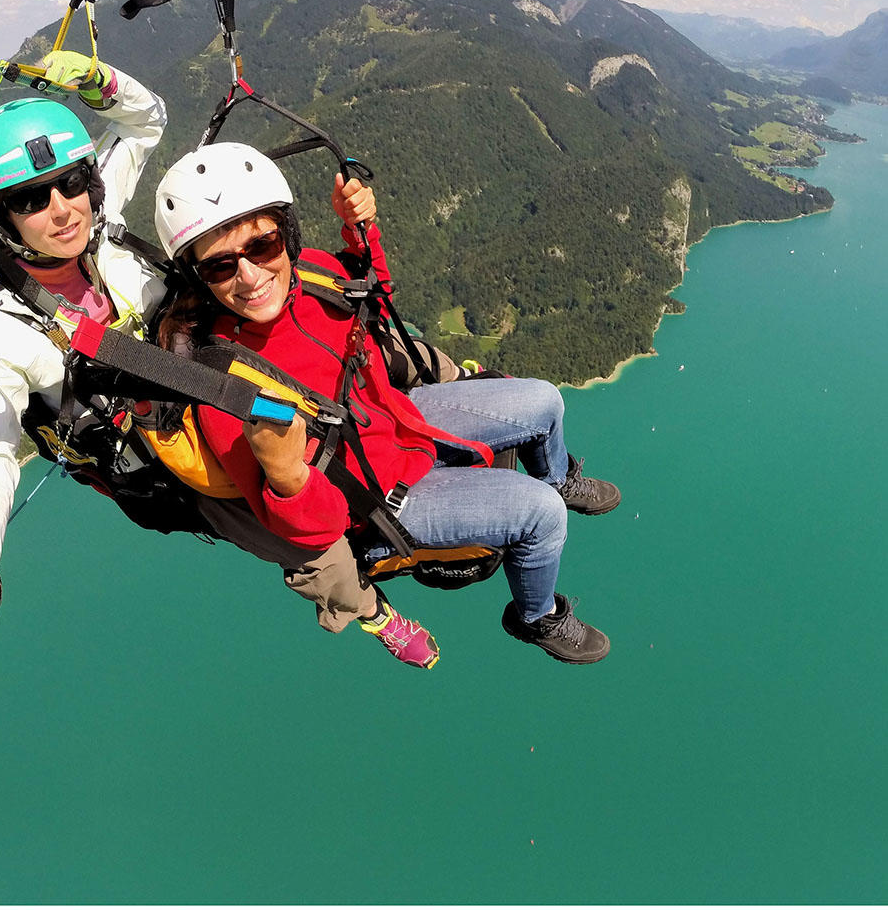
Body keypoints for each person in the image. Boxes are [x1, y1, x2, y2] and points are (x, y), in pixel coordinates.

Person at [0, 51, 437, 683]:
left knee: (373, 356)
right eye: (29, 199)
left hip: (216, 360)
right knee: (304, 538)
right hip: (167, 449)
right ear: (0, 216)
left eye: (72, 182)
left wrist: (98, 82)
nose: (62, 209)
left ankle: (469, 394)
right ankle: (368, 610)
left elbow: (145, 119)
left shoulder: (98, 224)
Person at [154, 142, 620, 664]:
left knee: (545, 401)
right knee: (543, 516)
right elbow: (314, 533)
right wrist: (287, 476)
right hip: (379, 498)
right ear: (198, 278)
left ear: (287, 236)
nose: (249, 275)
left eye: (262, 246)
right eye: (220, 266)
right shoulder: (226, 389)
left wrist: (361, 231)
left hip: (401, 419)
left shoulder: (310, 272)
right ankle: (536, 618)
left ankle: (557, 473)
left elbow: (371, 296)